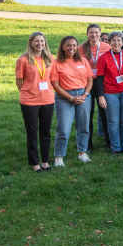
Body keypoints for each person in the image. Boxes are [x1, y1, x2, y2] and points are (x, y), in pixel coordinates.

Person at [50, 35, 93, 165]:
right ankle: (59, 156)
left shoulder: (83, 61)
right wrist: (71, 98)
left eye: (74, 45)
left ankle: (82, 152)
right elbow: (55, 85)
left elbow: (90, 80)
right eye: (68, 45)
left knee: (84, 126)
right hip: (64, 97)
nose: (71, 48)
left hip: (83, 95)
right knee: (63, 128)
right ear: (62, 47)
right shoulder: (56, 63)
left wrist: (84, 95)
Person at [16, 31, 55, 172]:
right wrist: (29, 92)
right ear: (31, 43)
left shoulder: (50, 58)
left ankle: (45, 162)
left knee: (46, 133)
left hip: (48, 100)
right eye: (36, 41)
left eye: (42, 41)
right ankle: (35, 163)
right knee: (32, 133)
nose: (40, 44)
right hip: (30, 102)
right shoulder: (23, 60)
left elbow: (52, 79)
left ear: (45, 43)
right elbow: (19, 82)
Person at [96, 31, 123, 155]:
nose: (116, 43)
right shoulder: (103, 58)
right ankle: (116, 148)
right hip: (110, 93)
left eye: (119, 40)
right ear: (109, 42)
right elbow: (99, 79)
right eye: (113, 40)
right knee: (113, 121)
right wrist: (101, 96)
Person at [80, 23, 110, 151]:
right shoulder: (81, 49)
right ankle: (88, 144)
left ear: (100, 33)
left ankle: (109, 142)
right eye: (91, 32)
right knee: (88, 114)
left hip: (102, 83)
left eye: (96, 32)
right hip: (87, 84)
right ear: (87, 34)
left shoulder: (106, 47)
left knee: (105, 114)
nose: (94, 35)